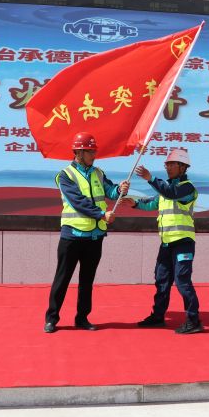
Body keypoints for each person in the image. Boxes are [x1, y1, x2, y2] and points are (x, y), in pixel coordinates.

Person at [44, 132, 129, 333]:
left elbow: (110, 191)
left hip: (94, 236)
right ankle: (51, 318)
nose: (94, 155)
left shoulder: (98, 172)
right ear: (79, 152)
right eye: (90, 151)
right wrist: (101, 214)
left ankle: (82, 318)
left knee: (87, 280)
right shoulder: (65, 176)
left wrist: (120, 190)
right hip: (72, 236)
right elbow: (78, 202)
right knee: (62, 278)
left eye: (94, 151)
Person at [121, 149, 203, 334]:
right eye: (167, 164)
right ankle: (158, 317)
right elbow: (153, 202)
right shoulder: (166, 189)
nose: (168, 168)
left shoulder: (187, 188)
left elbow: (172, 193)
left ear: (182, 167)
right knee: (162, 280)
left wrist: (150, 178)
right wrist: (135, 203)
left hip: (183, 242)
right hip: (166, 243)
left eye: (172, 164)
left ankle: (194, 320)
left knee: (182, 281)